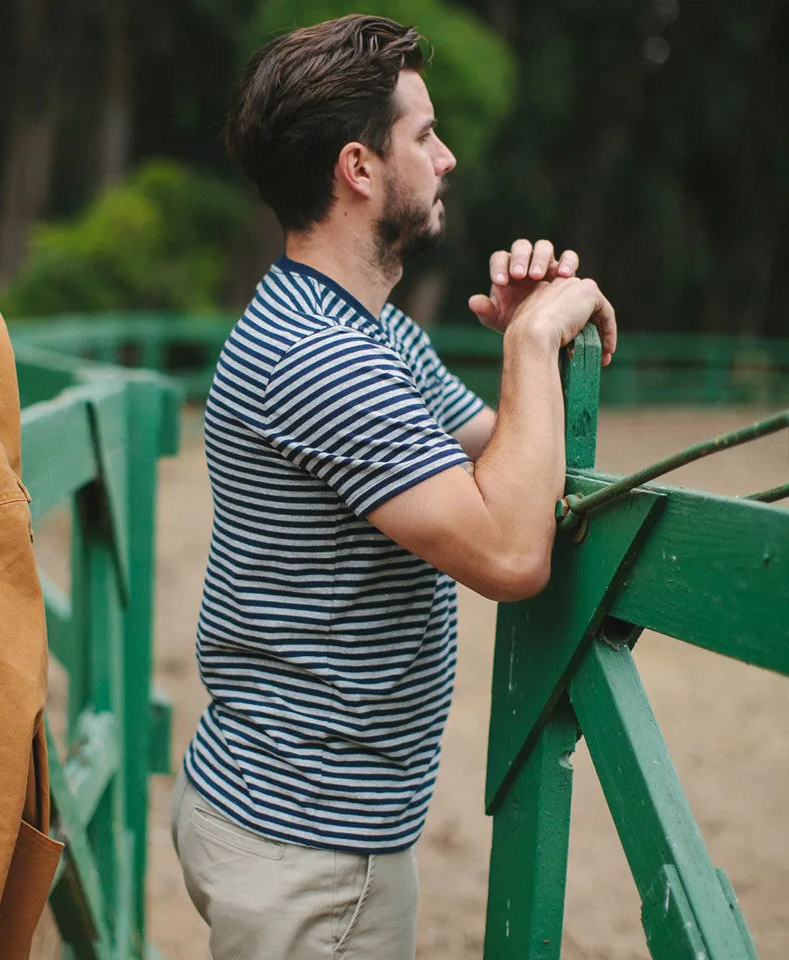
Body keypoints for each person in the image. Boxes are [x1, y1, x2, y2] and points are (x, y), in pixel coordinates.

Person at [170, 14, 617, 960]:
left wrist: (530, 350)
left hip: (281, 811)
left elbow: (507, 462)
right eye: (425, 134)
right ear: (359, 169)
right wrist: (534, 340)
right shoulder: (321, 356)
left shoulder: (366, 331)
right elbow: (510, 553)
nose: (447, 158)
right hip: (307, 848)